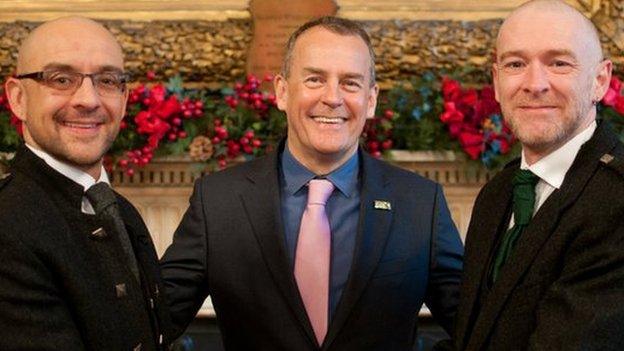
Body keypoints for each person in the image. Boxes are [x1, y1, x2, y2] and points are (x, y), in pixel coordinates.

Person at [160, 16, 464, 350]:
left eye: (350, 83)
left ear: (371, 99)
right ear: (281, 91)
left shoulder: (421, 203)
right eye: (315, 79)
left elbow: (479, 327)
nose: (332, 98)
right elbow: (151, 323)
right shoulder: (218, 201)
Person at [453, 1, 624, 350]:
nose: (535, 84)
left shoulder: (618, 201)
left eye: (558, 63)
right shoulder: (497, 195)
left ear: (600, 80)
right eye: (516, 64)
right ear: (497, 82)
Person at [0, 17, 170, 350]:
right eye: (61, 79)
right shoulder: (7, 224)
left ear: (123, 99)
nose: (89, 100)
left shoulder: (120, 210)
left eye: (107, 80)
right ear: (18, 98)